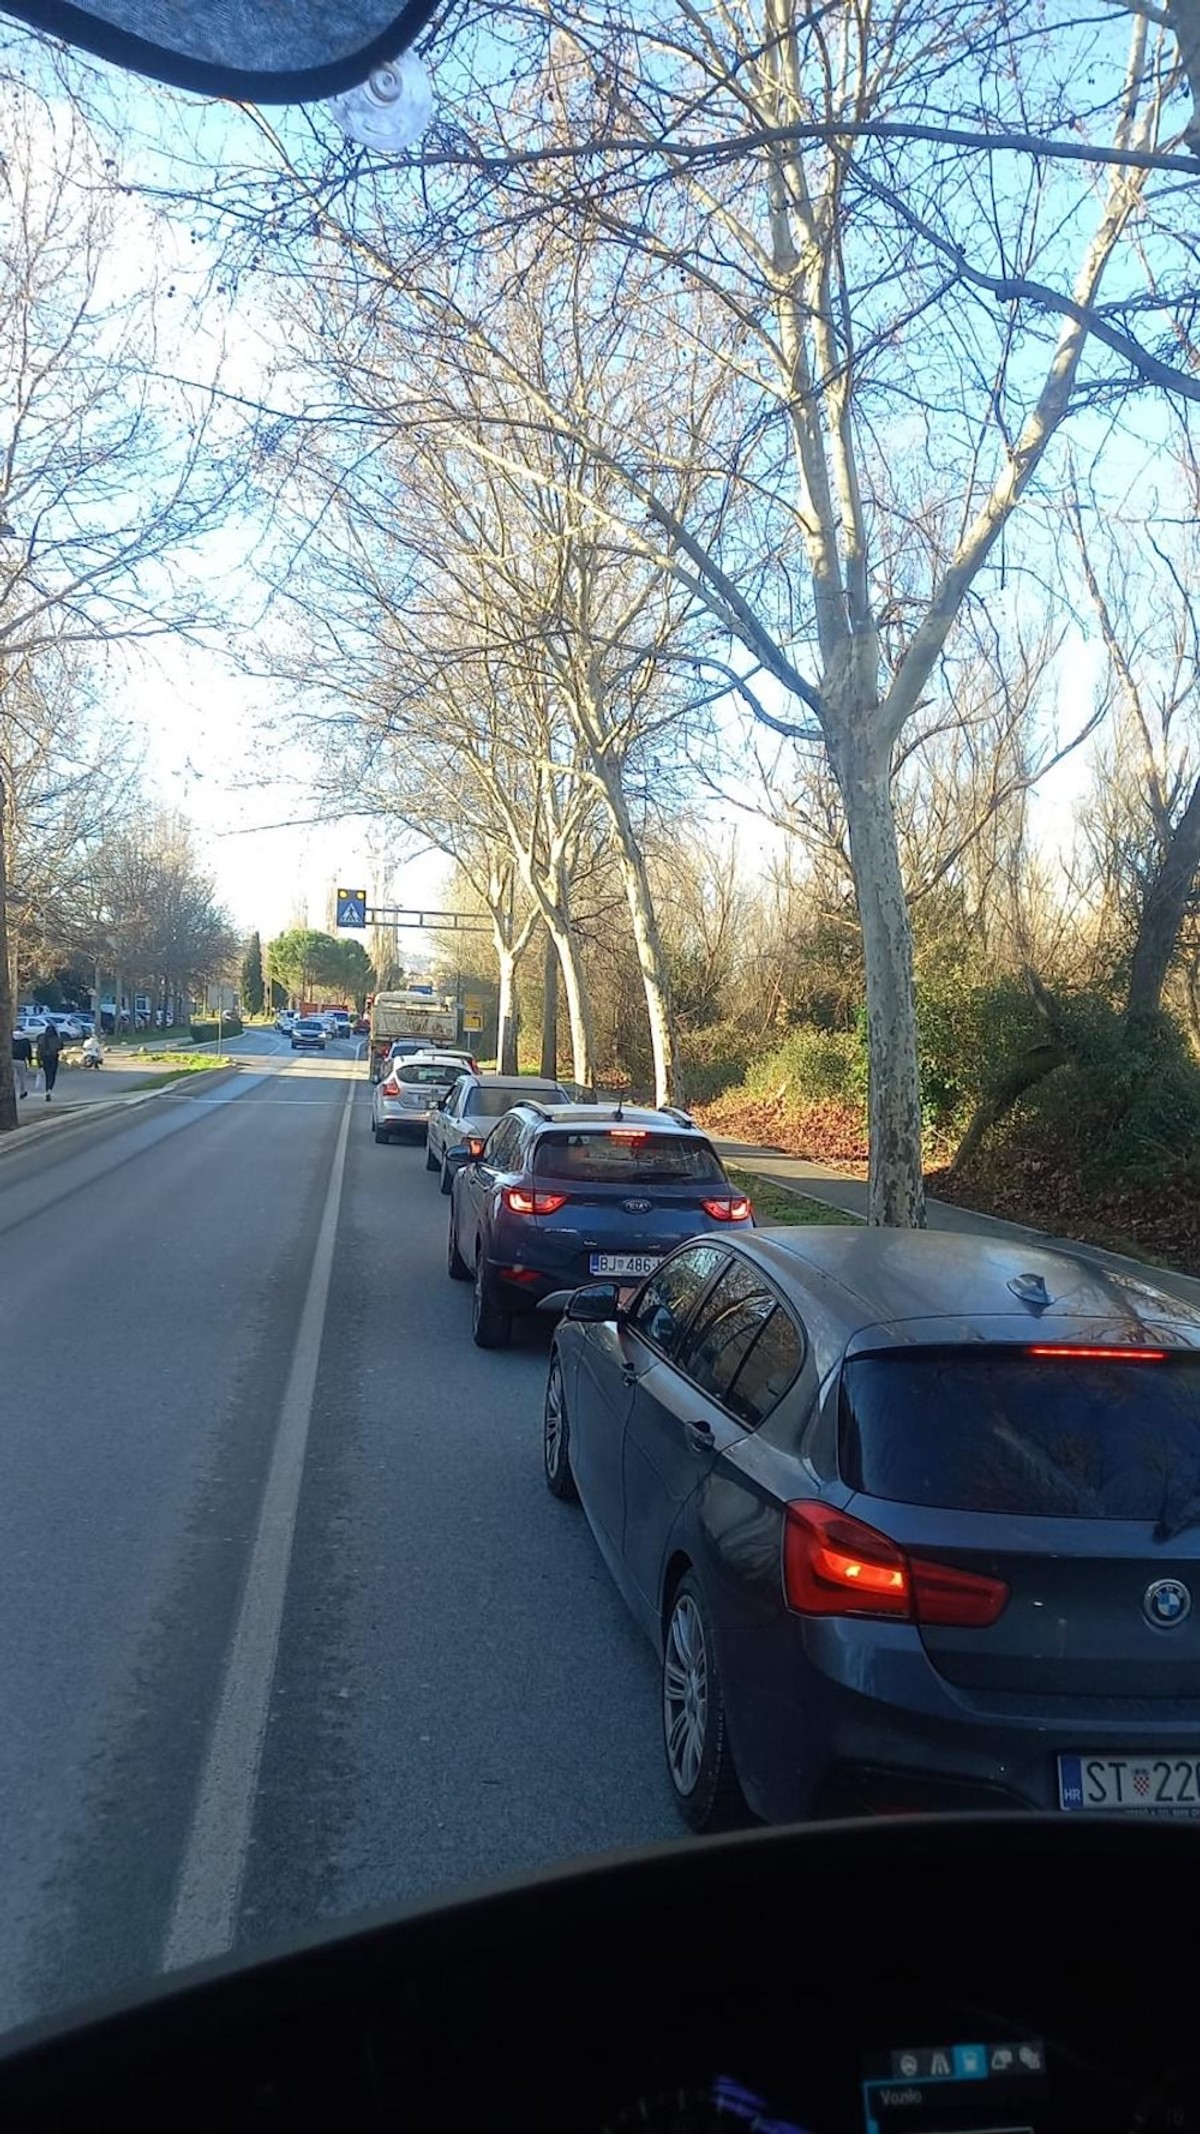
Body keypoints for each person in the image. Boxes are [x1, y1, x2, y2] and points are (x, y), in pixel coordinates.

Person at [37, 1019, 61, 1101]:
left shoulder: (42, 1038)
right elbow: (60, 1046)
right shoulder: (55, 1038)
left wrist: (39, 1061)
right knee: (52, 1075)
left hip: (44, 1058)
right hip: (53, 1058)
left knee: (47, 1074)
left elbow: (39, 1050)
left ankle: (47, 1089)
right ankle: (49, 1090)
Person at [11, 1028, 31, 1099]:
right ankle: (23, 1092)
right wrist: (29, 1060)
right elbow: (28, 1051)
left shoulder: (10, 1039)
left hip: (11, 1060)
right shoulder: (25, 1040)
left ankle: (11, 1091)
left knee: (12, 1077)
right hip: (21, 1060)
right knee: (22, 1078)